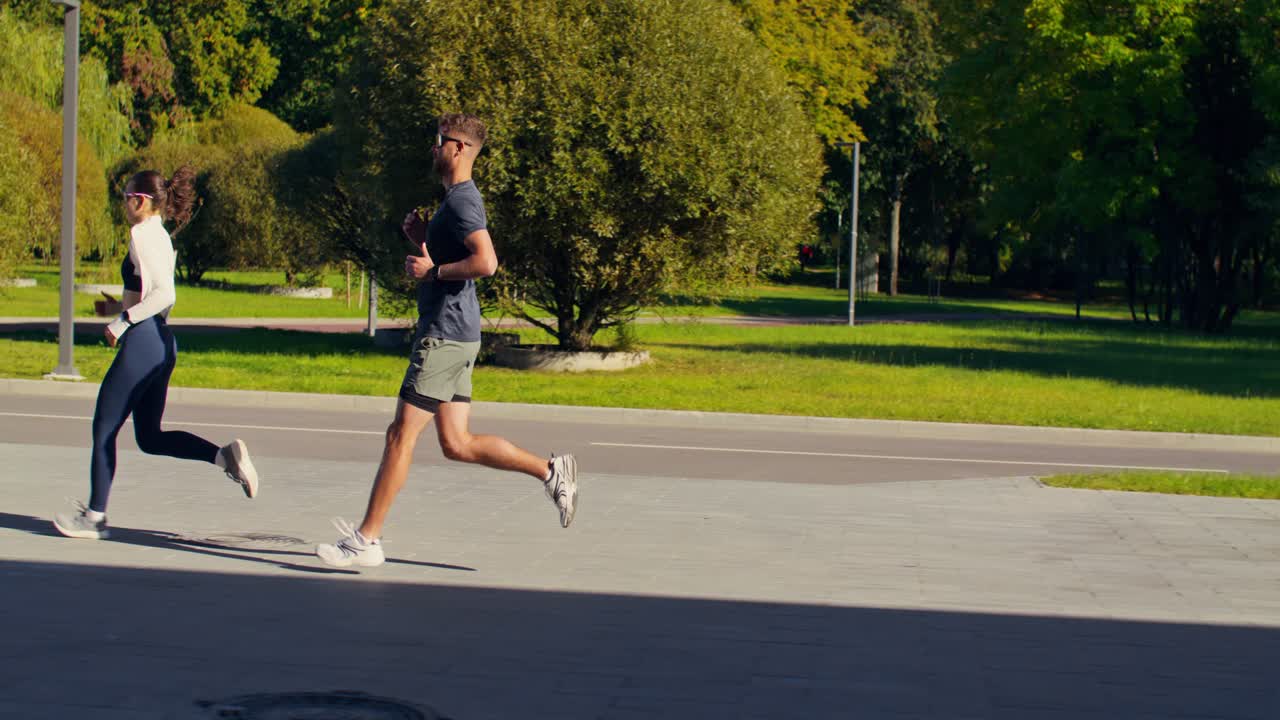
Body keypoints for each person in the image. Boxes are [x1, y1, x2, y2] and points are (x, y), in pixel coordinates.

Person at [316, 113, 579, 568]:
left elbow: (486, 263)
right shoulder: (454, 201)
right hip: (458, 333)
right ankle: (551, 471)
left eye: (439, 140)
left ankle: (366, 539)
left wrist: (433, 270)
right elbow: (455, 262)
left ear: (459, 148)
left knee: (400, 435)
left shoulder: (462, 202)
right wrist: (425, 242)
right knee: (456, 442)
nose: (433, 147)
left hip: (444, 335)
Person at [52, 168, 260, 540]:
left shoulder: (142, 234)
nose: (123, 203)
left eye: (126, 196)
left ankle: (94, 518)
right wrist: (122, 312)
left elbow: (165, 294)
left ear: (141, 200)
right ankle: (224, 456)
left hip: (144, 341)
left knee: (104, 428)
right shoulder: (160, 234)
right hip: (160, 340)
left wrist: (123, 322)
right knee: (149, 438)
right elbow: (154, 295)